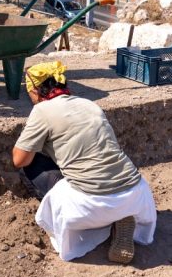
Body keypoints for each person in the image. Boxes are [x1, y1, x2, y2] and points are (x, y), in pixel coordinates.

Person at [11, 62, 157, 263]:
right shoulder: (90, 104)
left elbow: (19, 159)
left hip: (90, 205)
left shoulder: (42, 110)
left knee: (30, 165)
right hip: (136, 194)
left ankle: (98, 224)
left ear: (35, 90)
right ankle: (120, 218)